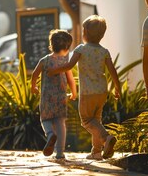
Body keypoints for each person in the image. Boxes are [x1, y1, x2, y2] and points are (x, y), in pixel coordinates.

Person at [47, 15, 121, 161]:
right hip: (102, 91)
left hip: (88, 92)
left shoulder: (81, 49)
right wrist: (117, 88)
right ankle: (96, 152)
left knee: (87, 121)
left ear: (85, 32)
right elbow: (112, 71)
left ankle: (106, 139)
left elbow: (69, 66)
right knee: (96, 121)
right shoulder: (104, 51)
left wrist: (54, 70)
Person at [31, 29, 77, 161]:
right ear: (67, 47)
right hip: (61, 98)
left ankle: (50, 134)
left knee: (45, 119)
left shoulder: (44, 60)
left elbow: (34, 74)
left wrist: (33, 86)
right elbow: (71, 79)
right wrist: (74, 93)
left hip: (46, 98)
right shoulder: (65, 63)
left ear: (51, 45)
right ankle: (60, 153)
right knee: (60, 123)